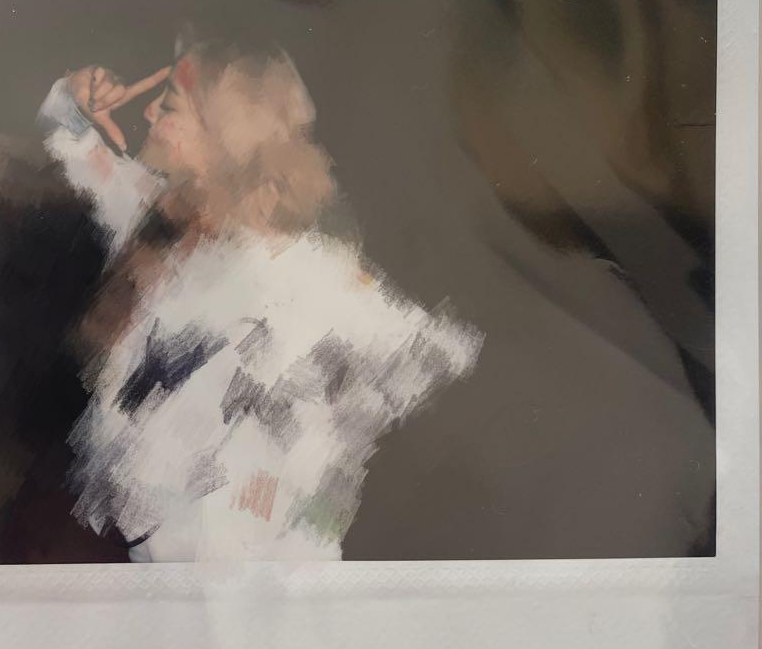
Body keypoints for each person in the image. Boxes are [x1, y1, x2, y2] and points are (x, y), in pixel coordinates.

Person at [35, 33, 484, 561]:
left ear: (228, 133)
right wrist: (75, 92)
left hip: (242, 579)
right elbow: (67, 138)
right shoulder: (159, 216)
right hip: (145, 568)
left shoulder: (307, 278)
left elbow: (429, 362)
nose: (149, 111)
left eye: (171, 105)